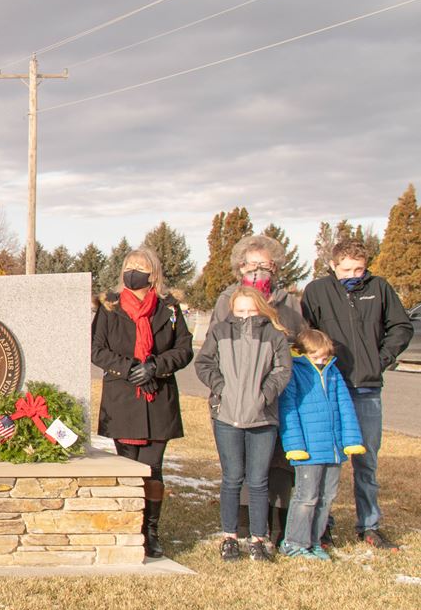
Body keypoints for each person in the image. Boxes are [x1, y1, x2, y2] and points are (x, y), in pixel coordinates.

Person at [301, 238, 415, 550]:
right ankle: (322, 527)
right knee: (328, 459)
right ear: (333, 266)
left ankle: (369, 525)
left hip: (367, 390)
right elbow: (307, 335)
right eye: (346, 269)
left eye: (359, 268)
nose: (353, 274)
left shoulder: (379, 288)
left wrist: (380, 360)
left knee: (366, 462)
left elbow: (401, 327)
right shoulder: (317, 291)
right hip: (330, 388)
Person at [92, 246, 195, 559]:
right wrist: (129, 368)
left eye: (140, 267)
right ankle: (128, 526)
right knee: (127, 465)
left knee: (152, 468)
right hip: (124, 397)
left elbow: (184, 349)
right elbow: (97, 349)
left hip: (157, 397)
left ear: (154, 275)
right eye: (129, 266)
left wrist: (155, 366)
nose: (133, 271)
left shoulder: (170, 309)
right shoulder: (109, 308)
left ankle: (150, 530)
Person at [210, 233, 306, 545]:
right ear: (240, 268)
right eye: (252, 265)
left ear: (275, 267)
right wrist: (225, 389)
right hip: (233, 401)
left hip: (272, 397)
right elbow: (214, 351)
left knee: (273, 464)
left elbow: (298, 343)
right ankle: (237, 523)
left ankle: (271, 527)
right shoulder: (227, 300)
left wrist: (267, 391)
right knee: (236, 468)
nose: (258, 271)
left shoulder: (288, 301)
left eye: (265, 265)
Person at [194, 286, 292, 562]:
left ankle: (258, 538)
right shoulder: (220, 332)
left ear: (261, 308)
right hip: (226, 416)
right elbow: (203, 364)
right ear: (232, 311)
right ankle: (229, 536)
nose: (246, 316)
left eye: (251, 310)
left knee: (259, 480)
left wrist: (265, 394)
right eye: (240, 311)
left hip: (263, 418)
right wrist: (222, 388)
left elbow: (283, 369)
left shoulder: (274, 335)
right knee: (232, 478)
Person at [278, 329, 365, 560]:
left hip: (333, 450)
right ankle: (294, 542)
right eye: (316, 357)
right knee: (306, 498)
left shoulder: (334, 373)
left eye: (325, 358)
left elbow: (346, 408)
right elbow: (288, 410)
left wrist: (352, 440)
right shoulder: (295, 373)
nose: (321, 362)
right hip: (308, 451)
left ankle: (314, 541)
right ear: (302, 353)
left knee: (326, 497)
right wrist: (295, 445)